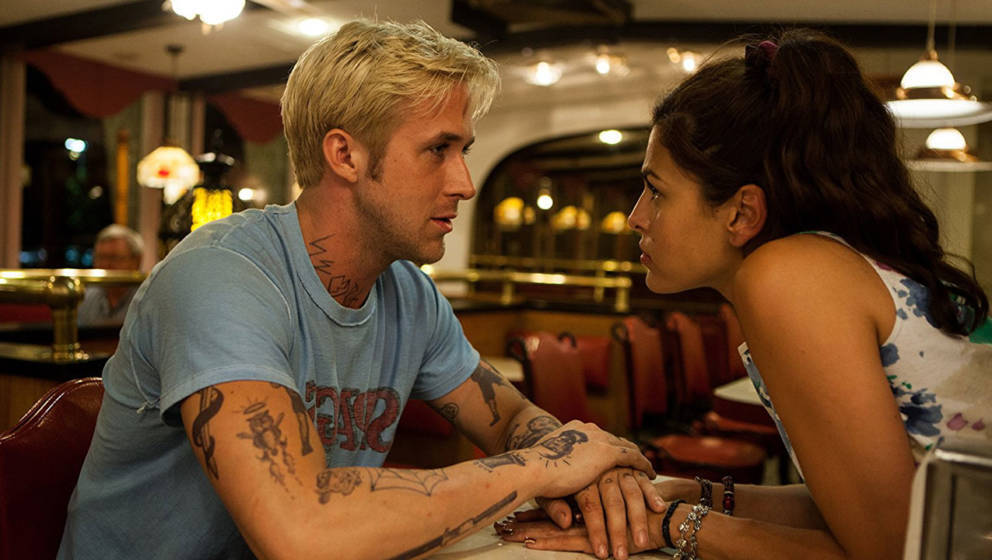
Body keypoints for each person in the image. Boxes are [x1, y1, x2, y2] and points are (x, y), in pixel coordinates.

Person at [59, 20, 663, 560]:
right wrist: (543, 467)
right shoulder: (221, 276)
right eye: (438, 150)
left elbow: (511, 418)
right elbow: (299, 533)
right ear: (345, 154)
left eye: (464, 151)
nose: (465, 183)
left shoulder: (410, 295)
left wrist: (594, 474)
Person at [497, 29, 992, 560]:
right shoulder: (829, 264)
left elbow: (889, 551)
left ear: (742, 213)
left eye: (656, 190)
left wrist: (670, 527)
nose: (636, 217)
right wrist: (694, 497)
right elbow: (866, 513)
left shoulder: (788, 278)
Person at [77, 224, 143, 326]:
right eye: (100, 257)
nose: (105, 265)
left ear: (136, 261)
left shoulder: (147, 299)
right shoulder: (85, 298)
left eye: (114, 257)